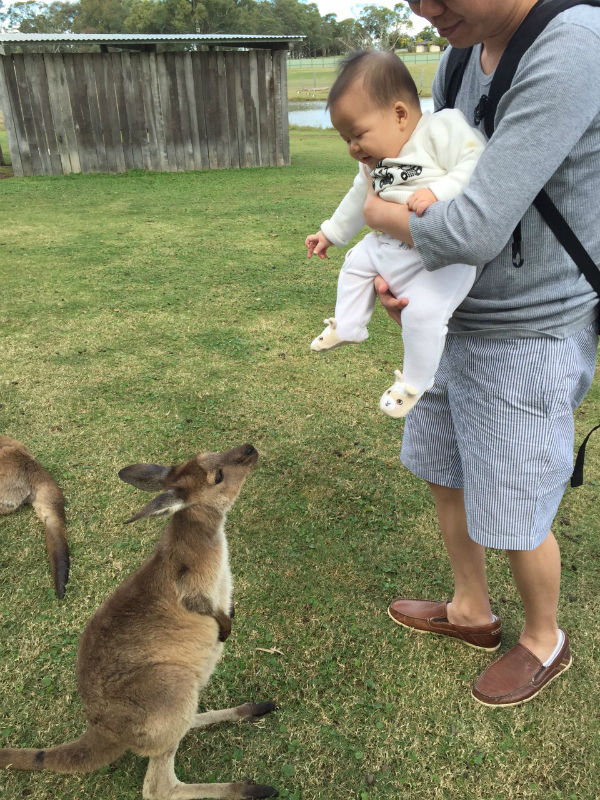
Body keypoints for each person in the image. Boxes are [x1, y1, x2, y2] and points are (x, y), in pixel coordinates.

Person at [363, 0, 600, 707]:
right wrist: (398, 271)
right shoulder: (461, 55)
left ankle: (542, 639)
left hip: (527, 331)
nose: (424, 9)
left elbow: (468, 227)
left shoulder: (574, 47)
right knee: (444, 470)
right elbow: (417, 176)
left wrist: (375, 217)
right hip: (454, 317)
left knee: (520, 504)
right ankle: (470, 610)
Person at [305, 51, 485, 417]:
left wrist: (438, 192)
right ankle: (349, 325)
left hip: (441, 259)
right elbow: (360, 198)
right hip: (390, 242)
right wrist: (329, 233)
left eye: (358, 135)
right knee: (356, 262)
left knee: (425, 315)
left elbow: (477, 161)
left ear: (400, 114)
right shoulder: (376, 163)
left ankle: (413, 385)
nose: (354, 149)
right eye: (345, 139)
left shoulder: (440, 129)